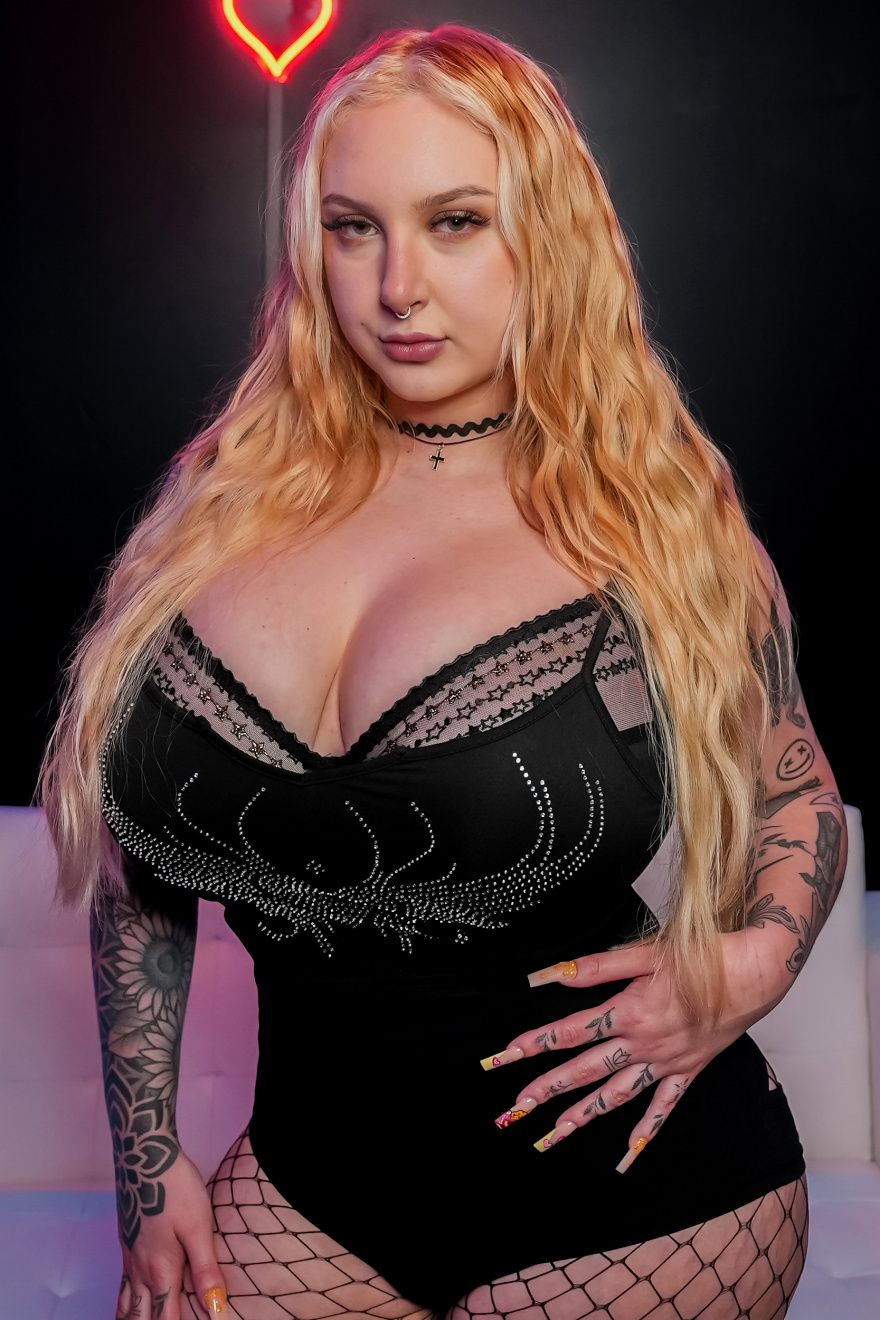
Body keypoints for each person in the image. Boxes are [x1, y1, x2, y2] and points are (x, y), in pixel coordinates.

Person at [37, 23, 847, 1320]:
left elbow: (797, 790)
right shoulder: (218, 510)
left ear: (546, 236)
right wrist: (150, 1167)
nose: (398, 286)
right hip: (314, 1191)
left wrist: (753, 963)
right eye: (354, 229)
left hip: (640, 1208)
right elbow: (142, 874)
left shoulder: (653, 521)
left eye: (455, 222)